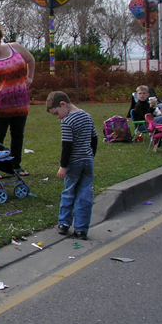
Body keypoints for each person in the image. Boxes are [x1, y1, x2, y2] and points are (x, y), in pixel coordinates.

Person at [0, 24, 35, 176]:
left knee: (18, 135)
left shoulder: (15, 48)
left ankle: (16, 166)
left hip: (20, 104)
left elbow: (31, 60)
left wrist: (30, 77)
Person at [46, 91, 98, 240]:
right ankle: (81, 229)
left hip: (73, 162)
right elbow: (94, 139)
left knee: (69, 192)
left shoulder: (67, 121)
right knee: (85, 194)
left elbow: (67, 146)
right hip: (87, 161)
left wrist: (63, 166)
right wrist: (90, 155)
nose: (58, 117)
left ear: (63, 104)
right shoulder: (87, 116)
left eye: (57, 113)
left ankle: (64, 223)